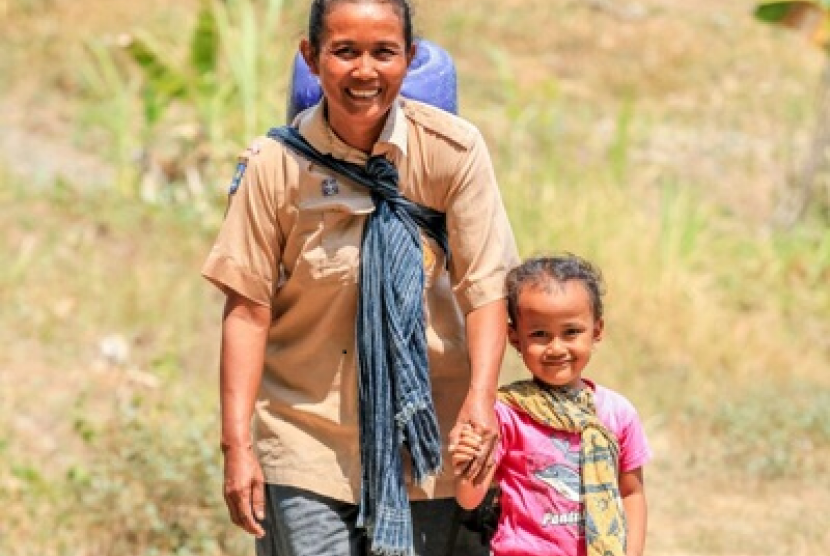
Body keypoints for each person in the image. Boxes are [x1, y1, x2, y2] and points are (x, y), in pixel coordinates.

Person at [200, 1, 518, 555]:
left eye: (384, 52)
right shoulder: (275, 166)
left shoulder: (453, 152)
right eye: (344, 52)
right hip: (307, 437)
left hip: (429, 439)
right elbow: (248, 309)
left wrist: (481, 401)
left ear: (409, 57)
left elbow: (486, 291)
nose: (364, 71)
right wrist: (236, 445)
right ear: (312, 56)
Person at [450, 254, 651, 556]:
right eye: (539, 334)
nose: (556, 348)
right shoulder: (505, 416)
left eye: (571, 332)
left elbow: (631, 493)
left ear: (596, 331)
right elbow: (469, 500)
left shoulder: (616, 413)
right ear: (515, 338)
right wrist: (468, 465)